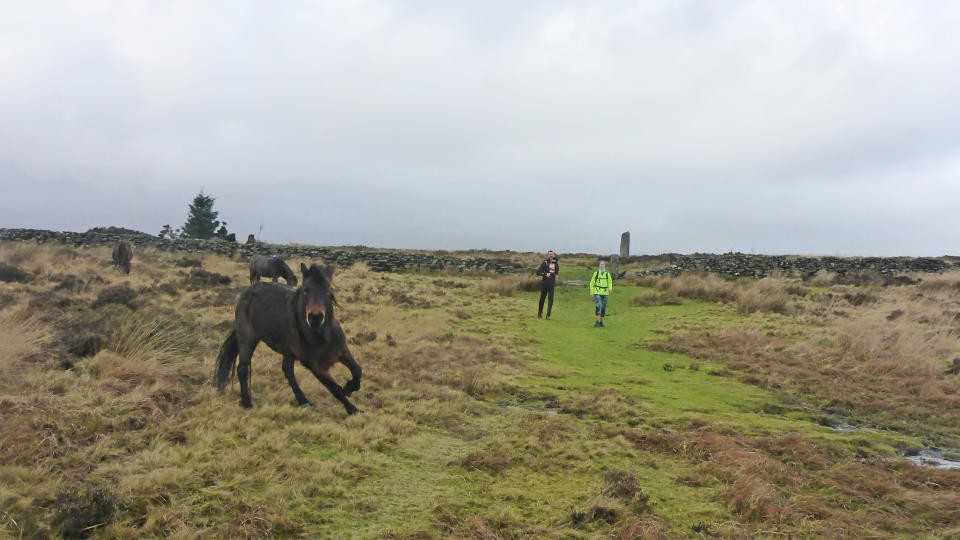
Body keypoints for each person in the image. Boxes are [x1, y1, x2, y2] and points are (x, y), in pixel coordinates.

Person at [589, 260, 613, 327]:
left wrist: (610, 288)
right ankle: (597, 321)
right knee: (598, 305)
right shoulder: (596, 273)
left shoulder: (607, 274)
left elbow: (610, 282)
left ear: (605, 266)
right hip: (597, 291)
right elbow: (592, 283)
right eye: (600, 264)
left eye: (603, 264)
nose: (601, 265)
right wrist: (591, 292)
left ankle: (601, 322)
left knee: (604, 307)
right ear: (599, 265)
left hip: (605, 292)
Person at [536, 250, 559, 318]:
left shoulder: (556, 263)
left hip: (552, 284)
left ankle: (548, 315)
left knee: (551, 299)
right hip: (544, 284)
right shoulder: (545, 263)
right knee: (542, 299)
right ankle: (540, 313)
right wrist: (545, 274)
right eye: (550, 254)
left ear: (554, 255)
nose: (551, 255)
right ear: (548, 255)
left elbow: (557, 271)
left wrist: (557, 274)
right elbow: (538, 272)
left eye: (552, 254)